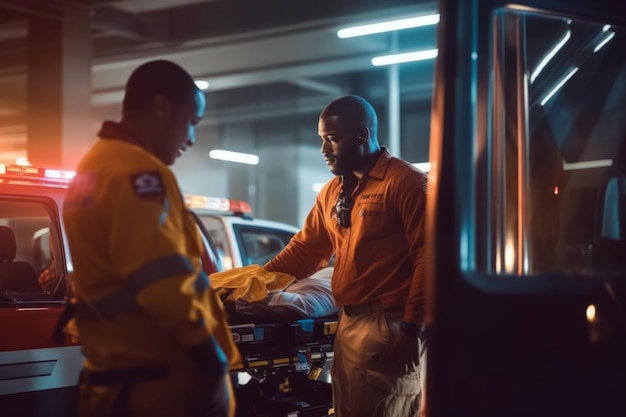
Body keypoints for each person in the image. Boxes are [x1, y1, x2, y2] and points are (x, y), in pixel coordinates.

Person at [62, 60, 241, 417]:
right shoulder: (138, 172)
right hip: (159, 387)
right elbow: (164, 282)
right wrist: (212, 361)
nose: (191, 139)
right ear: (162, 107)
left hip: (115, 383)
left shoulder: (92, 167)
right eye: (192, 123)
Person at [264, 95, 428, 417]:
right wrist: (254, 283)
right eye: (322, 139)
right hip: (348, 323)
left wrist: (413, 330)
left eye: (333, 139)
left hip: (392, 325)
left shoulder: (406, 183)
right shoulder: (332, 193)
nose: (324, 149)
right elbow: (305, 251)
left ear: (363, 135)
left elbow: (429, 259)